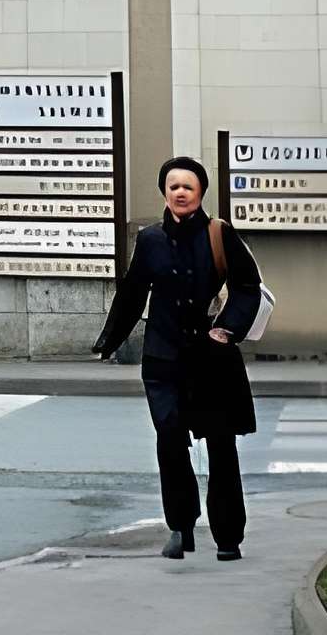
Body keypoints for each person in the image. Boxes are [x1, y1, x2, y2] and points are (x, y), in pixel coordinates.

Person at [92, 154, 263, 561]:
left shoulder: (219, 233)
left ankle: (227, 536)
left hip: (212, 357)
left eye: (188, 185)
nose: (180, 192)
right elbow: (134, 291)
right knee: (170, 441)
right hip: (164, 357)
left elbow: (247, 286)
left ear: (200, 191)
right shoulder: (150, 240)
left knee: (221, 445)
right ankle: (180, 527)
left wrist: (228, 329)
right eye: (173, 186)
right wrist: (109, 340)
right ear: (164, 193)